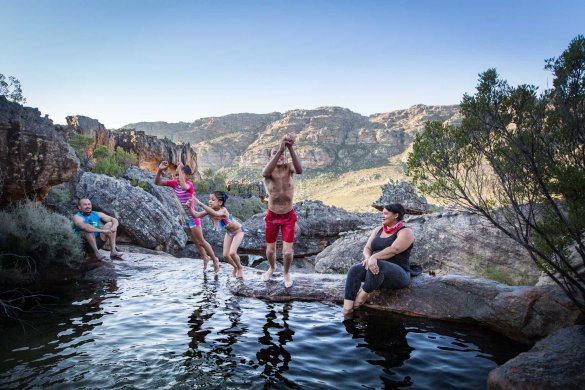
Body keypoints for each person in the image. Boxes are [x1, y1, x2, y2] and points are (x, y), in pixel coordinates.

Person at [342, 203, 414, 316]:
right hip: (376, 271)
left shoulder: (405, 232)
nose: (382, 216)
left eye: (386, 213)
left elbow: (394, 249)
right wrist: (368, 258)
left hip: (399, 274)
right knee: (354, 270)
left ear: (396, 215)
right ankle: (347, 310)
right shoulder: (378, 230)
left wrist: (374, 257)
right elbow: (367, 248)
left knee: (378, 265)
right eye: (382, 213)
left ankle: (359, 300)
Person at [155, 160, 220, 272]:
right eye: (175, 174)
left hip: (193, 217)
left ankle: (215, 260)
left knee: (201, 241)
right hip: (185, 219)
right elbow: (157, 182)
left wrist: (179, 169)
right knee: (195, 241)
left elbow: (184, 187)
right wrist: (160, 170)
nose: (176, 177)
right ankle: (205, 257)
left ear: (188, 176)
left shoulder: (189, 185)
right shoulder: (174, 184)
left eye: (180, 174)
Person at [261, 133, 303, 288]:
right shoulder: (269, 172)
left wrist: (290, 148)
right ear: (270, 157)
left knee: (286, 252)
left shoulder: (289, 168)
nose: (280, 156)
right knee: (270, 251)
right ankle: (272, 267)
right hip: (272, 216)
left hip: (288, 216)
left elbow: (300, 170)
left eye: (282, 154)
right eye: (275, 154)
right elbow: (265, 172)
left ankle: (286, 273)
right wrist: (279, 149)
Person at [187, 191, 245, 278]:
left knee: (232, 253)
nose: (210, 201)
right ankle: (235, 267)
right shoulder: (210, 210)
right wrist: (189, 208)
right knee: (225, 255)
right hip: (229, 233)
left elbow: (216, 214)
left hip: (238, 231)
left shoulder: (223, 210)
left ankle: (240, 268)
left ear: (220, 202)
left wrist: (200, 204)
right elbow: (196, 215)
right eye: (209, 199)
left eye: (213, 199)